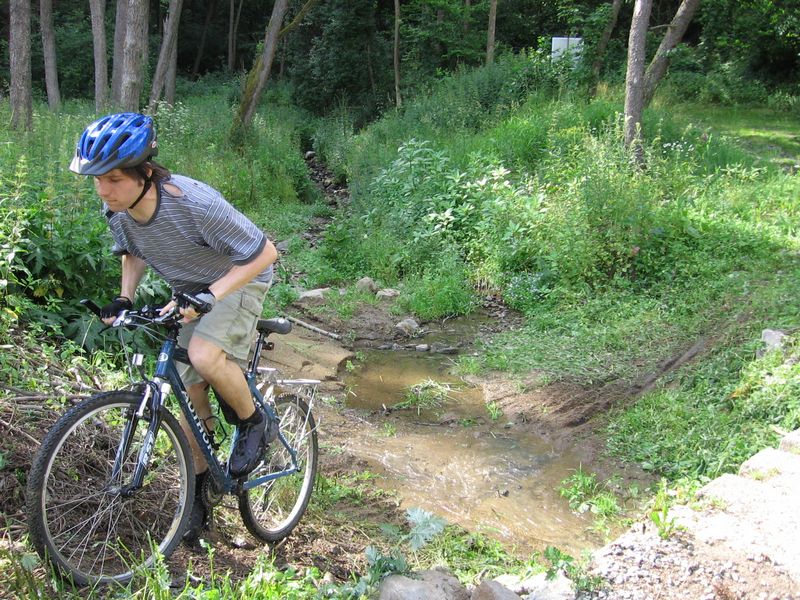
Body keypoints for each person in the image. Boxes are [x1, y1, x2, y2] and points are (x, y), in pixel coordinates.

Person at [70, 112, 279, 544]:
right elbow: (134, 250)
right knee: (187, 395)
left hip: (238, 278)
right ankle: (200, 494)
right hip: (188, 289)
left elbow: (263, 253)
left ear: (145, 172)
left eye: (112, 179)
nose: (103, 190)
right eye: (96, 179)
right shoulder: (118, 208)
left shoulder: (194, 203)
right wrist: (125, 297)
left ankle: (256, 422)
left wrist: (210, 296)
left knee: (205, 356)